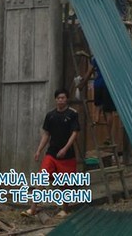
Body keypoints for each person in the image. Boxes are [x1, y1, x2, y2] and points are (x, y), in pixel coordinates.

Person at [24, 88, 80, 217]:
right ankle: (32, 209)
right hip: (52, 153)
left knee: (65, 184)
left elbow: (75, 133)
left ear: (67, 99)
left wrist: (65, 148)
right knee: (41, 179)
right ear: (55, 100)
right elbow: (46, 134)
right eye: (58, 98)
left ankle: (65, 209)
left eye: (63, 98)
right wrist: (39, 151)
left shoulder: (72, 114)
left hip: (67, 156)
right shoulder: (50, 115)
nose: (61, 100)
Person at [83, 56, 116, 145]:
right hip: (108, 86)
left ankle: (96, 118)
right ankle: (109, 136)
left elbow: (89, 72)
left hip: (98, 85)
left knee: (98, 104)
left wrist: (82, 83)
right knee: (108, 111)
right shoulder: (112, 58)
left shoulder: (96, 59)